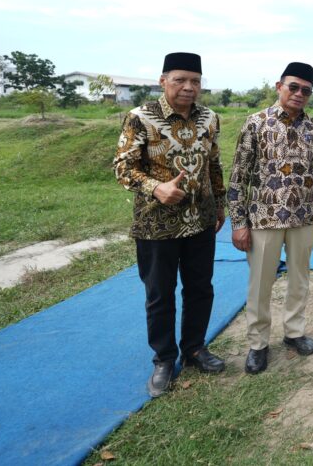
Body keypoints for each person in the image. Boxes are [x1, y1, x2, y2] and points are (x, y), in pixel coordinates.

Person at [227, 62, 313, 374]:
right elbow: (237, 177)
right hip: (264, 217)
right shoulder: (255, 124)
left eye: (306, 90)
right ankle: (258, 344)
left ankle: (294, 332)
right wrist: (238, 223)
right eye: (293, 87)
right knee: (260, 283)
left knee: (299, 279)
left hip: (304, 216)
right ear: (279, 86)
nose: (299, 94)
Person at [113, 52, 226, 398]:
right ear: (163, 81)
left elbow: (214, 164)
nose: (189, 87)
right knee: (160, 295)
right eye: (180, 80)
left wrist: (220, 205)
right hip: (156, 226)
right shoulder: (140, 118)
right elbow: (122, 168)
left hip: (201, 222)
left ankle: (194, 348)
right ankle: (164, 358)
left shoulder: (210, 118)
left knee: (200, 288)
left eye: (195, 81)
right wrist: (156, 188)